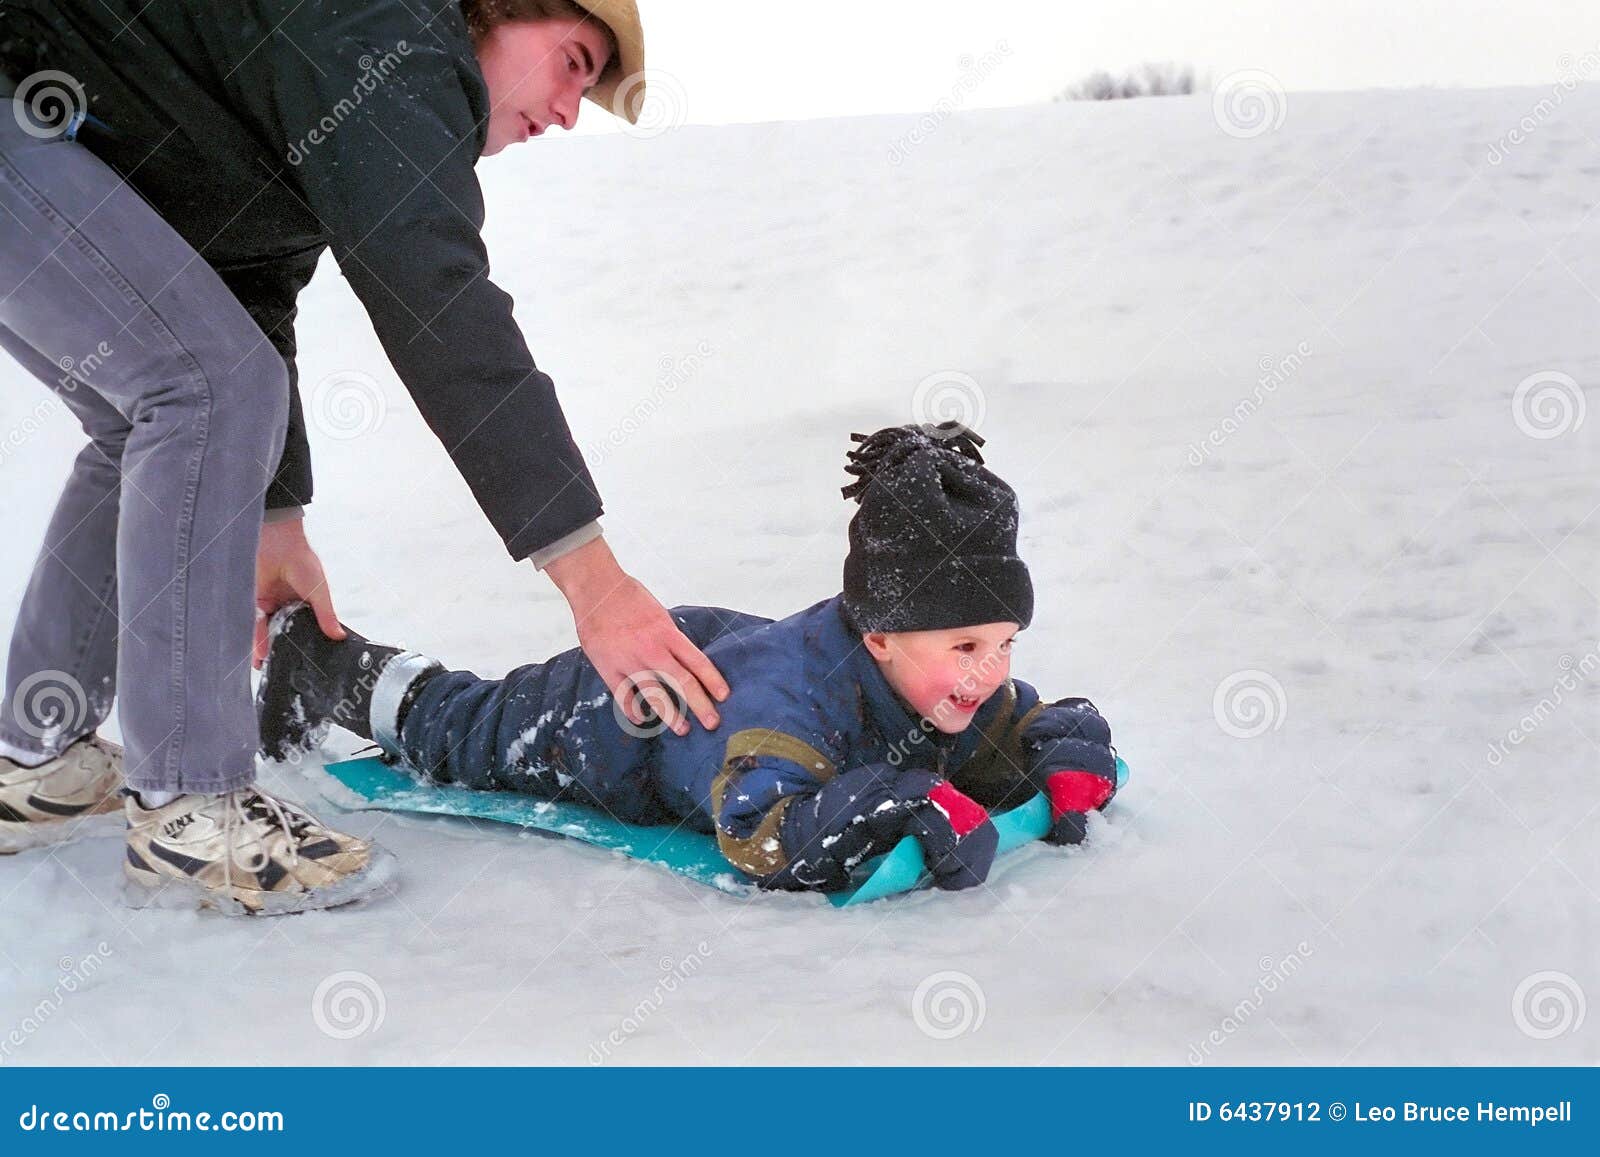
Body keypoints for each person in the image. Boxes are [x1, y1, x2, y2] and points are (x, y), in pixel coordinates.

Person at [0, 0, 730, 914]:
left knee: (153, 402)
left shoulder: (355, 70)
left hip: (35, 122)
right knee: (199, 387)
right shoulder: (395, 43)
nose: (570, 111)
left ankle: (37, 754)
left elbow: (239, 269)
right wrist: (595, 582)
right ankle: (192, 801)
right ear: (502, 11)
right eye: (574, 62)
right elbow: (441, 307)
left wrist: (275, 515)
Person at [254, 423, 1123, 899]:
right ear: (883, 635)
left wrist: (1063, 747)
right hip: (610, 717)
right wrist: (893, 799)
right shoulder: (783, 712)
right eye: (968, 646)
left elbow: (1014, 728)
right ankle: (324, 665)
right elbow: (763, 831)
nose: (989, 671)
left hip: (720, 644)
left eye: (1005, 643)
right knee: (461, 727)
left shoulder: (936, 680)